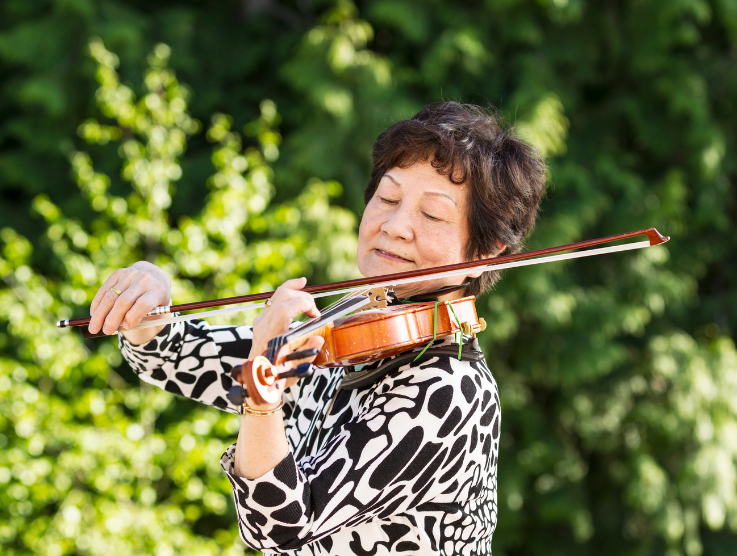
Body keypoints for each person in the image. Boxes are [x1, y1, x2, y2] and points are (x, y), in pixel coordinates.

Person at [88, 102, 546, 555]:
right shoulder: (344, 332)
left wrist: (261, 390)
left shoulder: (451, 390)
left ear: (486, 252)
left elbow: (279, 527)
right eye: (387, 198)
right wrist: (150, 297)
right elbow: (174, 356)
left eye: (432, 215)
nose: (395, 226)